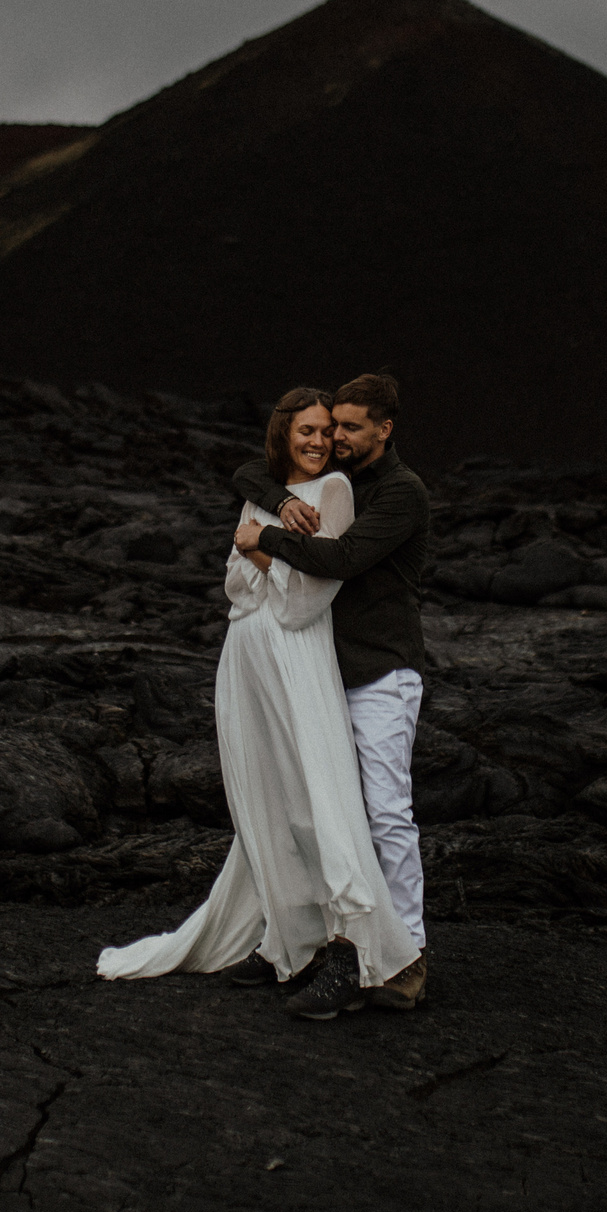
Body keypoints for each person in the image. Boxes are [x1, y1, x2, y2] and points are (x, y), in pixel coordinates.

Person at [96, 387, 415, 1020]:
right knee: (263, 794)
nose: (320, 440)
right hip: (246, 654)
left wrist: (261, 545)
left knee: (317, 795)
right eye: (308, 430)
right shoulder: (265, 489)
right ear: (284, 434)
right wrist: (262, 547)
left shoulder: (335, 493)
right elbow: (236, 587)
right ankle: (289, 940)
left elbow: (305, 599)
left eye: (328, 430)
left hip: (296, 656)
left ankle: (362, 949)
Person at [229, 372, 431, 1011]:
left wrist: (265, 538)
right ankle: (316, 940)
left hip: (380, 673)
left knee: (385, 812)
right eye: (330, 425)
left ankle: (407, 957)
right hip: (321, 674)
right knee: (319, 809)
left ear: (384, 428)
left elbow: (340, 560)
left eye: (349, 426)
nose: (337, 437)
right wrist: (272, 495)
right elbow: (253, 472)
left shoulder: (401, 493)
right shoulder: (337, 479)